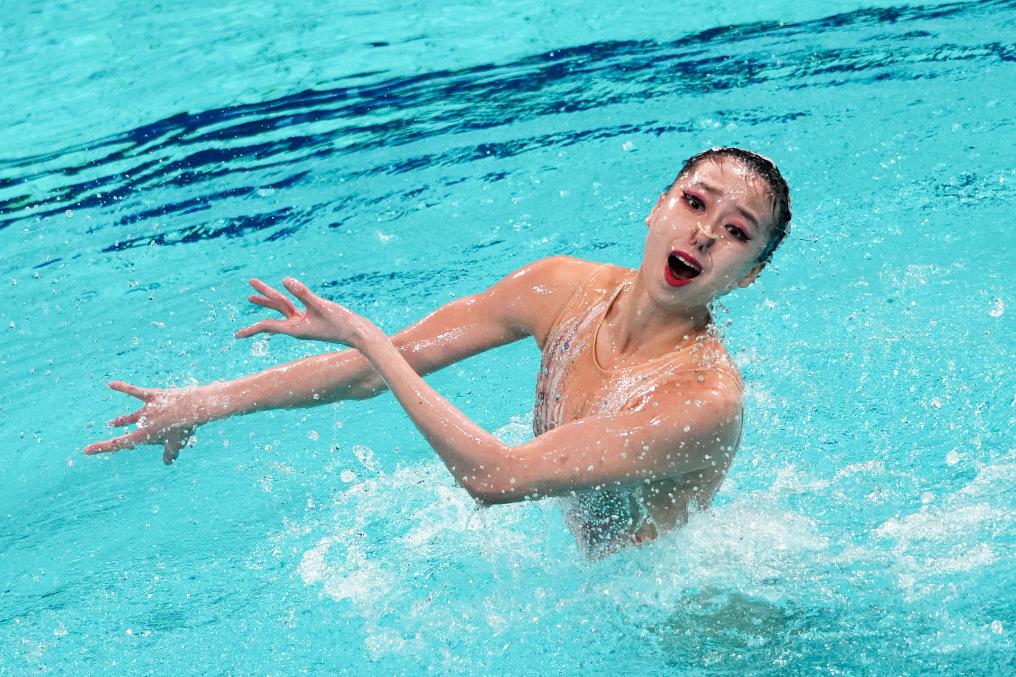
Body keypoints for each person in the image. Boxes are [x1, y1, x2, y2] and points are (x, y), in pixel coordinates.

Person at [85, 147, 791, 558]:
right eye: (695, 203)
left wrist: (369, 338)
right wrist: (203, 402)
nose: (704, 234)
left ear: (749, 274)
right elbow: (377, 369)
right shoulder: (561, 289)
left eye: (736, 232)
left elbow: (496, 477)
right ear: (657, 205)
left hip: (683, 629)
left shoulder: (700, 400)